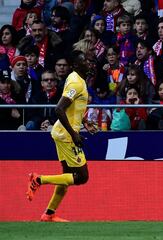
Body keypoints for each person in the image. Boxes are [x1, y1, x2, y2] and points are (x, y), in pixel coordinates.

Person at [26, 50, 98, 222]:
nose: (90, 64)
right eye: (86, 61)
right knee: (81, 177)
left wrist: (84, 123)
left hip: (62, 132)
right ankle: (38, 179)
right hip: (66, 135)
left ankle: (49, 214)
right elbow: (59, 108)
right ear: (76, 65)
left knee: (66, 175)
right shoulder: (76, 84)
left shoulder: (76, 78)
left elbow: (72, 109)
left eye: (91, 61)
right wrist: (74, 134)